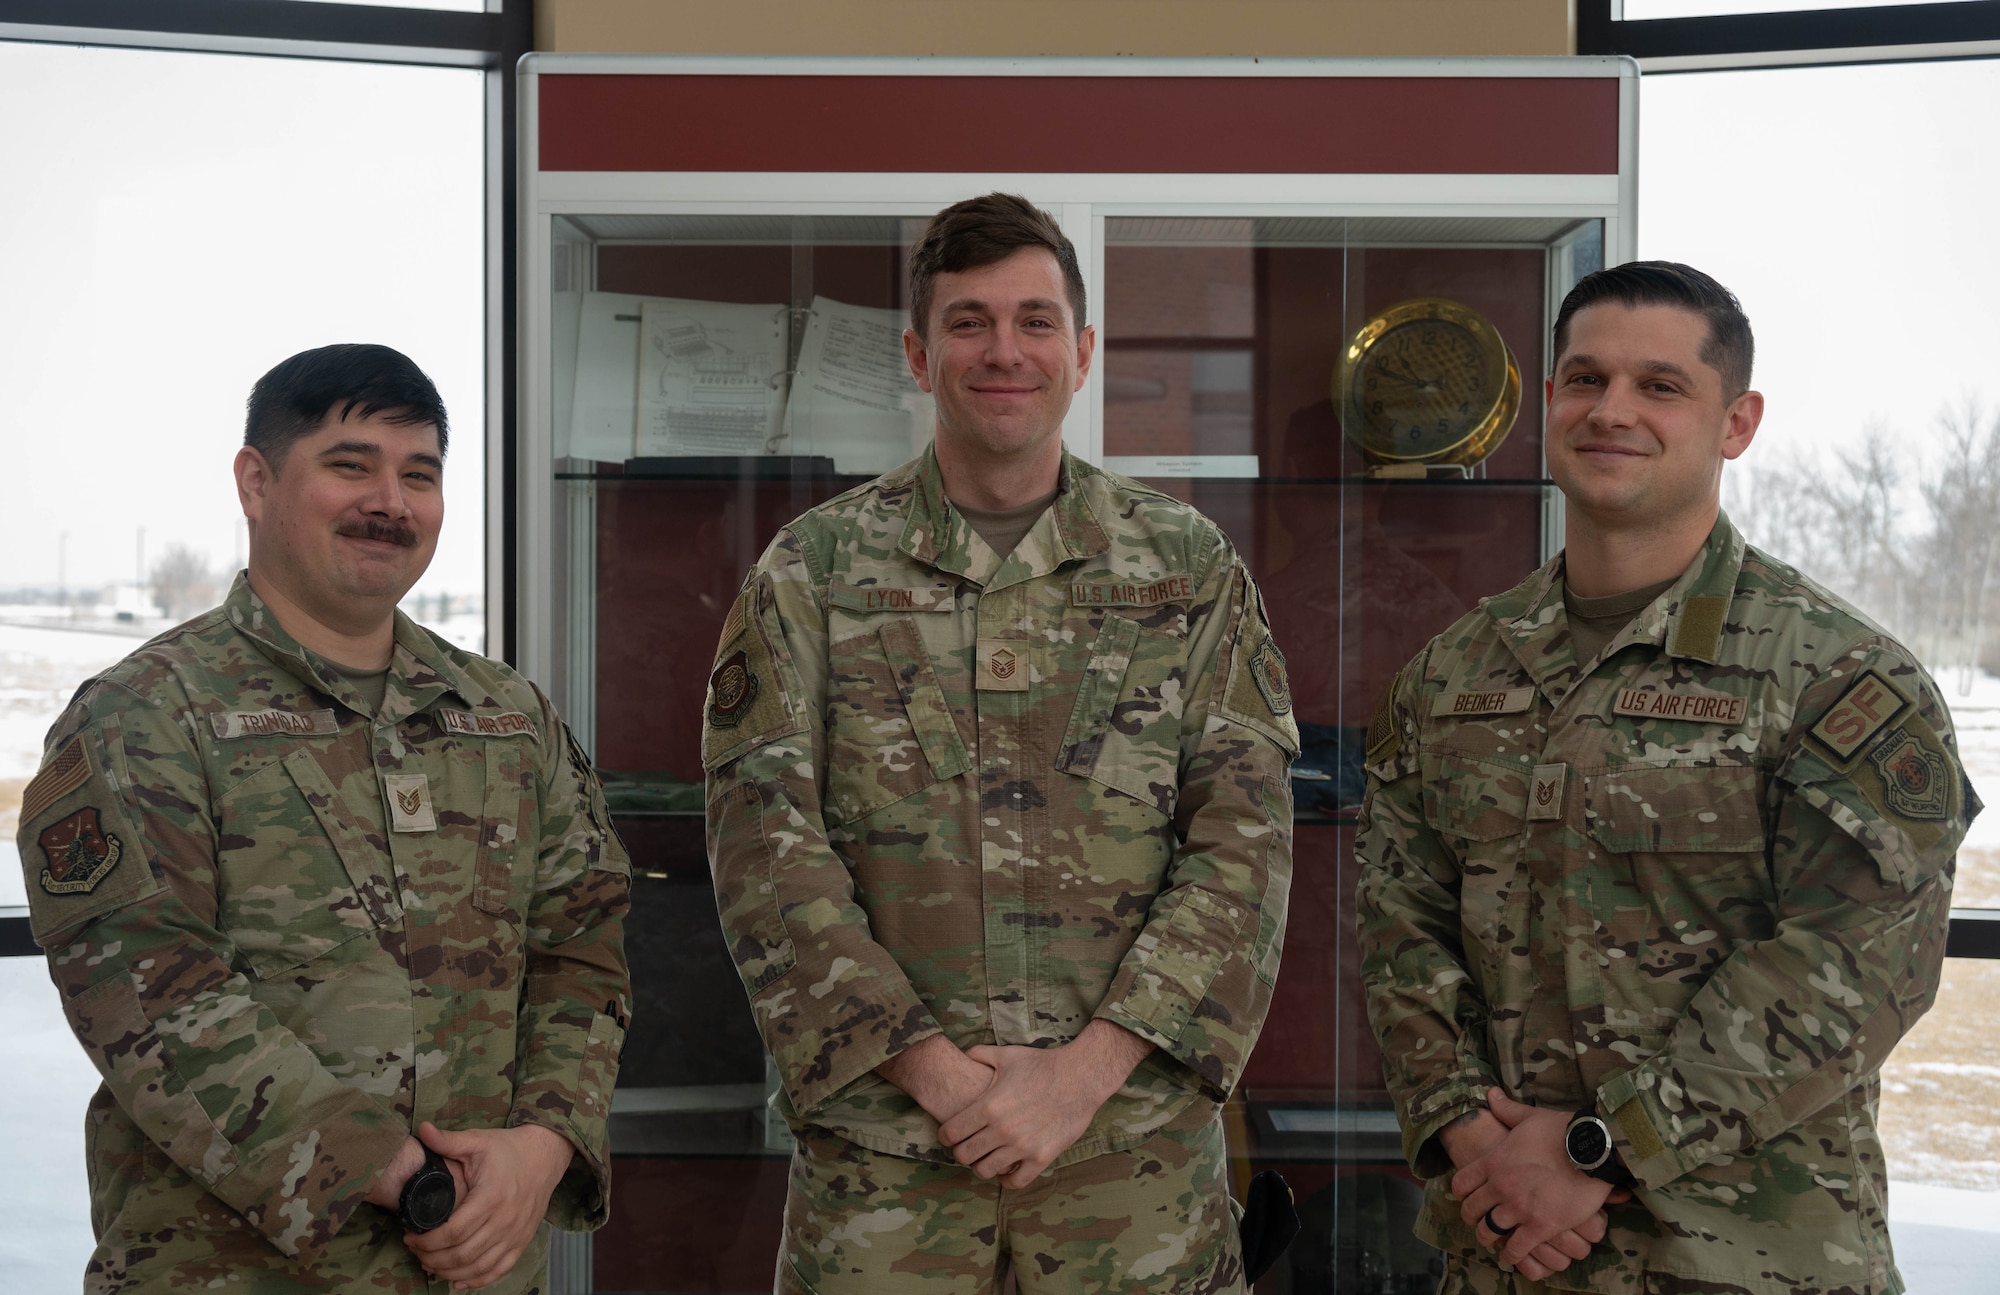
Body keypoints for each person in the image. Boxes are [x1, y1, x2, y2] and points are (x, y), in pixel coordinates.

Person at [701, 193, 1298, 1294]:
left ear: (1079, 352)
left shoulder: (1185, 565)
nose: (1002, 350)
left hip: (1129, 1172)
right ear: (919, 356)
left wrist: (1079, 1078)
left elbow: (1243, 850)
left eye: (1033, 321)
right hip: (889, 1176)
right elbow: (763, 852)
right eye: (968, 322)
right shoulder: (814, 571)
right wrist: (934, 1074)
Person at [1356, 261, 1977, 1294]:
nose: (1611, 410)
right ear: (1546, 402)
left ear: (1735, 423)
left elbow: (1859, 970)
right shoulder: (1454, 672)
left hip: (1746, 1256)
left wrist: (1599, 1149)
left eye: (1659, 386)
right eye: (1583, 378)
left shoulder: (1836, 675)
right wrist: (1466, 1130)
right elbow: (1398, 926)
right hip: (1503, 1248)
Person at [15, 344, 632, 1293]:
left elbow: (582, 945)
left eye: (418, 474)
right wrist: (383, 1169)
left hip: (481, 1268)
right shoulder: (142, 715)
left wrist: (543, 1145)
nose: (390, 500)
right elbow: (147, 992)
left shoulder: (507, 716)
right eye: (351, 464)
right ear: (255, 481)